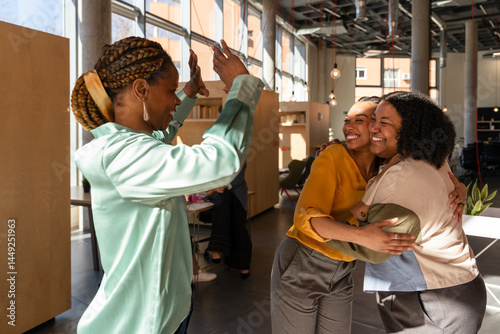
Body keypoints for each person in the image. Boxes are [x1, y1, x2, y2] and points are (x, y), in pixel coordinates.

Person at [71, 37, 264, 334]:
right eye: (171, 91)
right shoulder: (126, 157)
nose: (175, 99)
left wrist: (187, 96)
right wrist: (241, 86)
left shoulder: (126, 146)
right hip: (142, 324)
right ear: (141, 89)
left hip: (164, 312)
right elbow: (221, 161)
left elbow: (163, 136)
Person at [270, 96, 467, 334]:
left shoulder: (387, 164)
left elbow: (432, 162)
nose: (350, 127)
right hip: (304, 260)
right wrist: (360, 235)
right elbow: (304, 217)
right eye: (347, 120)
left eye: (365, 120)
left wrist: (458, 188)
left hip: (343, 268)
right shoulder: (332, 156)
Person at [321, 91, 486, 333]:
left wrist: (315, 227)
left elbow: (373, 245)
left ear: (410, 129)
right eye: (372, 119)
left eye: (383, 122)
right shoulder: (432, 158)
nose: (372, 127)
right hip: (457, 287)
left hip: (429, 296)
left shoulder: (403, 175)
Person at [204, 162, 252, 279]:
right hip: (218, 195)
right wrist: (213, 187)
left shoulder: (239, 152)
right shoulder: (213, 154)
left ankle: (241, 263)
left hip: (236, 195)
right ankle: (216, 250)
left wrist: (222, 186)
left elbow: (238, 177)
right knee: (222, 210)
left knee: (238, 227)